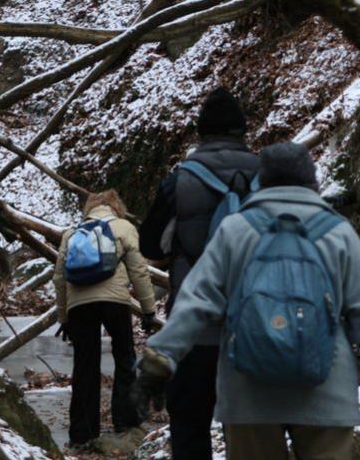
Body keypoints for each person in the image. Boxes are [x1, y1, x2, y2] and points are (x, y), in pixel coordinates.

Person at [133, 142, 360, 459]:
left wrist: (158, 363)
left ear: (260, 182)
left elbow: (195, 304)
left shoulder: (235, 230)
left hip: (248, 394)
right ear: (313, 182)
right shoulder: (339, 233)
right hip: (326, 391)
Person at [139, 87, 260, 459]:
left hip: (194, 329)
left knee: (189, 425)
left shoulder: (180, 181)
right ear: (243, 131)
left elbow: (150, 247)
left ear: (201, 132)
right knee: (254, 434)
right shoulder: (272, 178)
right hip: (256, 327)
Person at [52, 189, 156, 450]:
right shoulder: (123, 227)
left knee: (85, 365)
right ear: (116, 207)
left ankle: (82, 433)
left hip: (80, 305)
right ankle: (126, 422)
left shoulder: (72, 233)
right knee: (124, 358)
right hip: (114, 302)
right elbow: (139, 270)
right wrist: (148, 309)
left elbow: (59, 278)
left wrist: (64, 317)